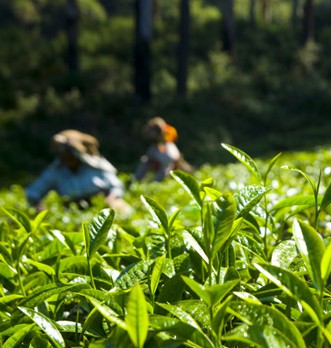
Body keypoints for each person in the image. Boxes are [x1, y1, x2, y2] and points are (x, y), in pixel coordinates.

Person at [25, 129, 129, 212]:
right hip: (72, 211)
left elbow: (116, 186)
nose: (66, 159)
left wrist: (111, 199)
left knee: (121, 208)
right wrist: (38, 207)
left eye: (70, 155)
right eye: (62, 155)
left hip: (102, 208)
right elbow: (33, 193)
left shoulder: (95, 166)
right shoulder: (56, 172)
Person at [133, 117, 192, 182]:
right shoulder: (153, 148)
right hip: (161, 166)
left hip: (174, 168)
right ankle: (135, 181)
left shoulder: (168, 147)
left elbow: (168, 165)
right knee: (145, 161)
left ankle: (153, 183)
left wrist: (155, 183)